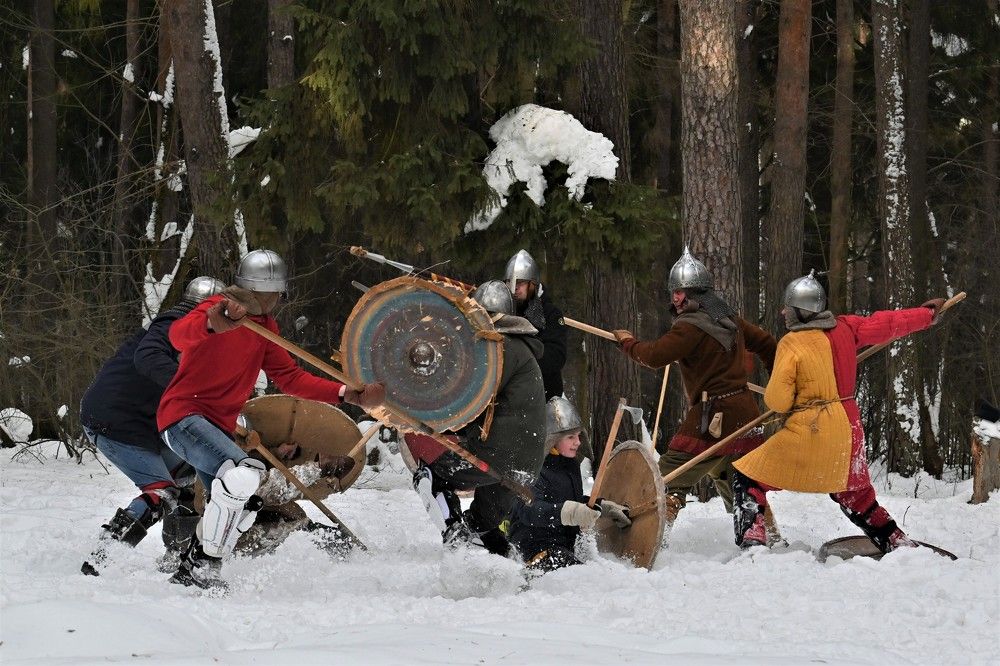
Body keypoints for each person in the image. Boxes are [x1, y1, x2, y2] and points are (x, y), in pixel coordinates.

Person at [157, 249, 385, 589]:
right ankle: (204, 569)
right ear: (262, 289)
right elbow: (177, 335)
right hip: (183, 417)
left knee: (241, 499)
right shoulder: (217, 308)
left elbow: (292, 379)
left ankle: (190, 565)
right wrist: (211, 323)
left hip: (214, 428)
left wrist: (346, 394)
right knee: (245, 474)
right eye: (277, 292)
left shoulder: (265, 328)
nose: (279, 298)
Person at [729, 271, 946, 551]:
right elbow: (887, 323)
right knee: (855, 496)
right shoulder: (845, 327)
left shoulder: (791, 344)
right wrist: (925, 314)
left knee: (748, 476)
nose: (783, 311)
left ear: (800, 311)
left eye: (787, 306)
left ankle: (752, 541)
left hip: (811, 430)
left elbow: (778, 402)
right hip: (848, 428)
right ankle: (896, 541)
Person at [611, 248, 778, 539]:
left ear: (699, 293)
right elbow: (766, 343)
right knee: (738, 479)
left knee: (666, 478)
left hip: (713, 419)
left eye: (681, 293)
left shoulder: (690, 327)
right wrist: (776, 381)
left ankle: (647, 539)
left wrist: (628, 344)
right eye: (674, 292)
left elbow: (653, 355)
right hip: (745, 416)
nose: (675, 299)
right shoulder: (730, 321)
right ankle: (767, 538)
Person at [79, 276, 226, 576]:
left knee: (188, 472)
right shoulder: (173, 325)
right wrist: (193, 389)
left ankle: (176, 556)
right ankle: (100, 559)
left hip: (140, 422)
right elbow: (151, 360)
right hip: (114, 421)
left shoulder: (193, 334)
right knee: (163, 493)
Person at [408, 280, 547, 551]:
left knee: (430, 476)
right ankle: (507, 568)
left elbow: (470, 399)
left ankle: (454, 537)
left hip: (500, 453)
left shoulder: (501, 346)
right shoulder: (522, 349)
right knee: (480, 524)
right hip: (526, 465)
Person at [508, 396, 631, 573]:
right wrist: (571, 512)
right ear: (552, 440)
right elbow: (530, 511)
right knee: (586, 580)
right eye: (570, 437)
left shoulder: (568, 466)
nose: (578, 442)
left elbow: (565, 499)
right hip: (536, 552)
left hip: (562, 548)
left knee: (597, 574)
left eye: (579, 436)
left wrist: (601, 507)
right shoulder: (531, 470)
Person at [504, 249, 568, 401]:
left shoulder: (550, 314)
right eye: (510, 282)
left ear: (532, 284)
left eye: (520, 283)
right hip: (509, 397)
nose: (514, 288)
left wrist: (523, 365)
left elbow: (556, 357)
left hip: (542, 396)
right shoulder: (503, 311)